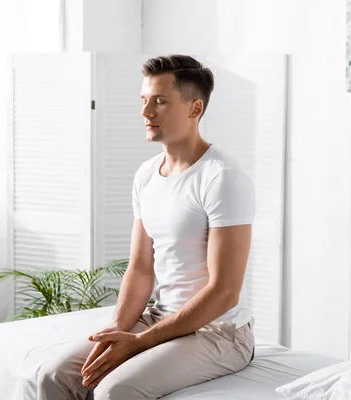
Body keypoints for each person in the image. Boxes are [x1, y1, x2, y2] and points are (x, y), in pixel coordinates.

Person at [36, 54, 256, 400]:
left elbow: (225, 291)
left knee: (114, 390)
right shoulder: (146, 175)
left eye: (160, 101)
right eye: (144, 101)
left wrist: (138, 343)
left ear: (194, 108)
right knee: (54, 377)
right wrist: (118, 331)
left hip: (219, 331)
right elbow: (140, 268)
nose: (146, 112)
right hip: (160, 316)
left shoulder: (222, 178)